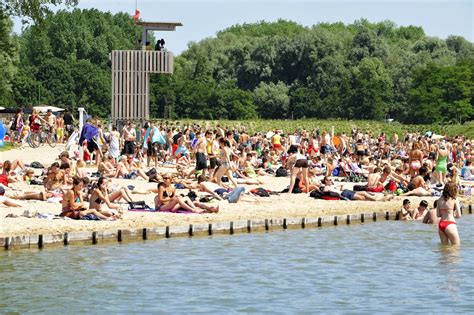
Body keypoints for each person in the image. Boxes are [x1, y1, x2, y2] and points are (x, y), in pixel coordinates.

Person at [154, 175, 218, 213]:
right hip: (162, 207)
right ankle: (194, 210)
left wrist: (174, 198)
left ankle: (211, 208)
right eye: (164, 178)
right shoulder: (161, 187)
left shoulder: (173, 188)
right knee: (178, 199)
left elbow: (172, 198)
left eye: (166, 178)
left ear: (170, 179)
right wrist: (171, 199)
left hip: (171, 207)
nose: (164, 179)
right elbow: (161, 199)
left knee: (194, 202)